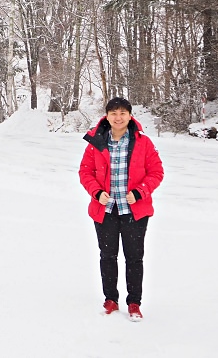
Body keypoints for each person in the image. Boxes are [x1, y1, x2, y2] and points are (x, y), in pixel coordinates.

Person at [78, 97, 164, 321]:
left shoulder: (143, 142)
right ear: (107, 116)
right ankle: (110, 299)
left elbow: (156, 172)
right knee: (108, 255)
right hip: (105, 211)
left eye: (123, 113)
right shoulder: (97, 141)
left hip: (134, 212)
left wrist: (139, 192)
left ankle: (134, 302)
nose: (118, 118)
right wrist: (97, 193)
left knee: (134, 258)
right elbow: (85, 172)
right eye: (114, 113)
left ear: (130, 116)